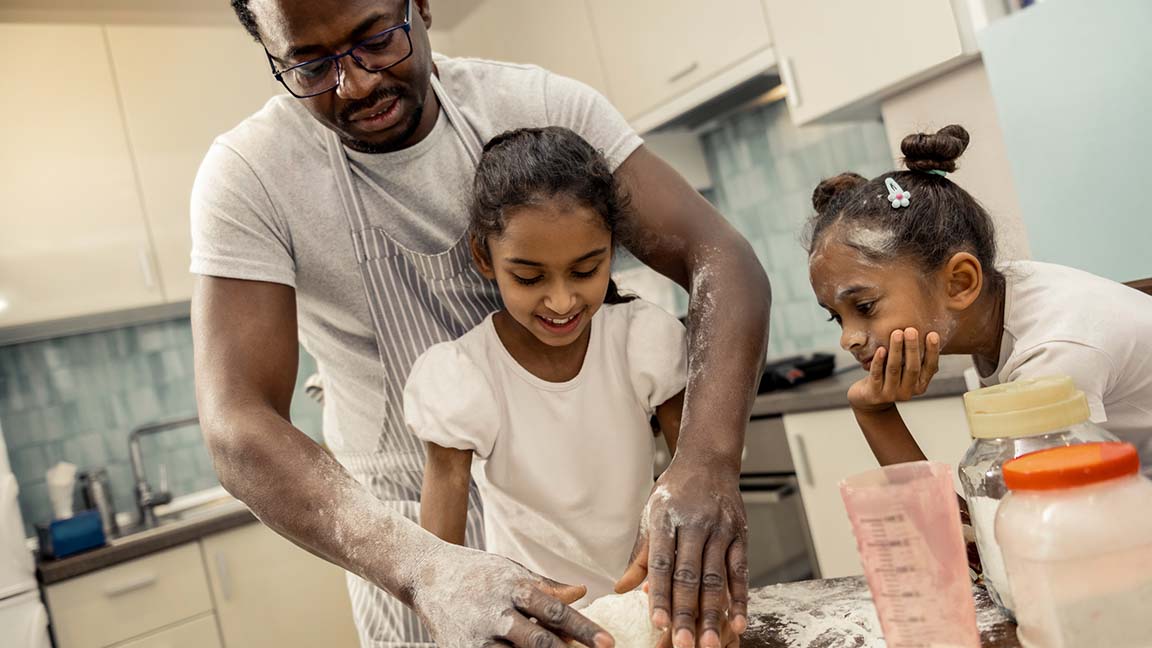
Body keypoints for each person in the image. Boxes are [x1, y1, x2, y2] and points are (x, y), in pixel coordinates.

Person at [191, 0, 771, 646]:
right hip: (395, 535)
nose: (354, 83)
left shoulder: (540, 108)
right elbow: (236, 421)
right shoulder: (250, 176)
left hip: (577, 525)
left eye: (376, 39)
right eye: (309, 65)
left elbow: (721, 256)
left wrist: (706, 461)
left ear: (422, 8)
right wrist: (424, 568)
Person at [409, 126, 687, 607]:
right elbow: (441, 557)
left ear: (611, 249)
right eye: (529, 277)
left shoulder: (642, 340)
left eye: (585, 271)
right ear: (484, 256)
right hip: (535, 621)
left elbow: (697, 475)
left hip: (650, 602)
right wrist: (453, 613)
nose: (561, 301)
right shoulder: (467, 376)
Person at [805, 124, 1152, 469]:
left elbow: (1011, 520)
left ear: (960, 282)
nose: (848, 339)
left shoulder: (1053, 354)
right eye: (836, 316)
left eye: (864, 306)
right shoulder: (997, 306)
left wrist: (876, 415)